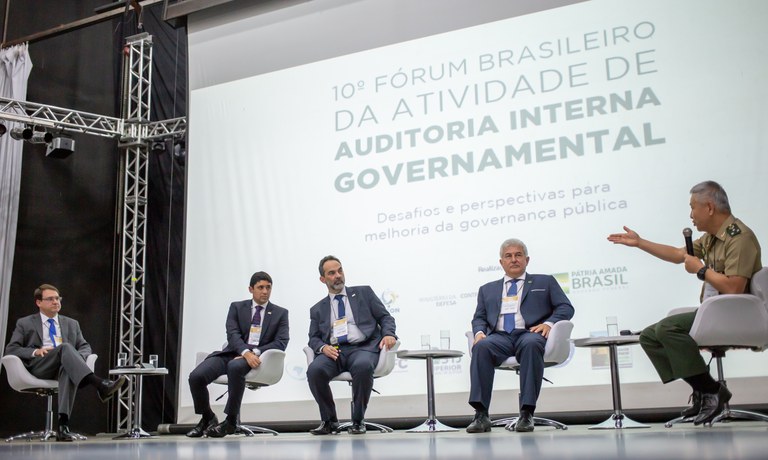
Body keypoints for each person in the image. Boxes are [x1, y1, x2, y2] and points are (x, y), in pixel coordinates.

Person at [607, 180, 761, 425]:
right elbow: (680, 255)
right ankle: (705, 390)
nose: (691, 215)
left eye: (693, 207)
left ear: (709, 207)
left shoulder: (739, 237)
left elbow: (734, 287)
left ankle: (711, 391)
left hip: (735, 315)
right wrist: (640, 242)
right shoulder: (712, 238)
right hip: (716, 313)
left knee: (668, 328)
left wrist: (701, 271)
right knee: (649, 336)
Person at [466, 239, 575, 433]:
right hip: (500, 337)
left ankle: (526, 413)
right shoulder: (487, 289)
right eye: (508, 256)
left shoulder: (545, 281)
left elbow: (565, 307)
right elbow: (479, 317)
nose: (514, 259)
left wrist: (548, 323)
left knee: (531, 344)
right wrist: (480, 333)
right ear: (501, 262)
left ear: (527, 260)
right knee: (481, 347)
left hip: (530, 333)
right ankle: (481, 414)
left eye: (518, 255)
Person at [4, 284, 127, 442]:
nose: (56, 302)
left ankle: (63, 427)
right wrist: (35, 351)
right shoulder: (25, 323)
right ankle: (99, 384)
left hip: (64, 364)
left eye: (57, 298)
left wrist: (77, 359)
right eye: (50, 299)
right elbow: (11, 349)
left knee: (67, 363)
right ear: (38, 302)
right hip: (40, 366)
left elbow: (84, 346)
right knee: (66, 348)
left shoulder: (71, 323)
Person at [186, 271, 289, 438]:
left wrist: (253, 353)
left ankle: (231, 421)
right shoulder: (237, 307)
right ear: (251, 289)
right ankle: (207, 417)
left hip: (258, 359)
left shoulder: (280, 313)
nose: (265, 291)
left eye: (268, 287)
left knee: (235, 367)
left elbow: (282, 341)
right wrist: (245, 352)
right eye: (260, 287)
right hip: (233, 352)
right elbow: (232, 334)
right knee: (196, 376)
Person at [306, 255, 397, 435]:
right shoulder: (317, 309)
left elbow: (385, 317)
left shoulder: (364, 293)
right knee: (314, 371)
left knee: (363, 366)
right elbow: (313, 338)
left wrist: (388, 334)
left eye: (340, 270)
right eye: (332, 273)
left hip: (363, 347)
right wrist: (323, 348)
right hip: (336, 352)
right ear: (323, 279)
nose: (338, 275)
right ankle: (329, 420)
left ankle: (358, 420)